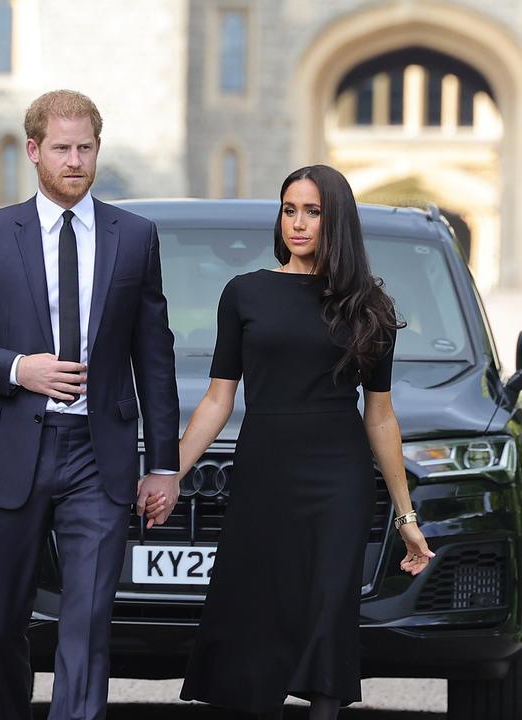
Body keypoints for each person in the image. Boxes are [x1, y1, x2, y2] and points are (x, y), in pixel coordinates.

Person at [0, 89, 180, 720]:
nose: (75, 160)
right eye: (62, 148)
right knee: (3, 621)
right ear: (34, 151)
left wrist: (166, 464)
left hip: (100, 455)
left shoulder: (135, 236)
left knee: (88, 619)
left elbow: (154, 355)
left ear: (98, 149)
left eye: (86, 148)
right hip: (12, 448)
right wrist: (17, 368)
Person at [175, 164, 434, 719]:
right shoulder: (245, 293)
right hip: (263, 470)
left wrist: (407, 518)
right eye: (290, 209)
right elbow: (219, 399)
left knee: (328, 608)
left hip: (338, 478)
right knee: (259, 609)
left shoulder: (369, 307)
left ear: (335, 220)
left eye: (313, 212)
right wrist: (169, 471)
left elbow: (381, 416)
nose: (298, 223)